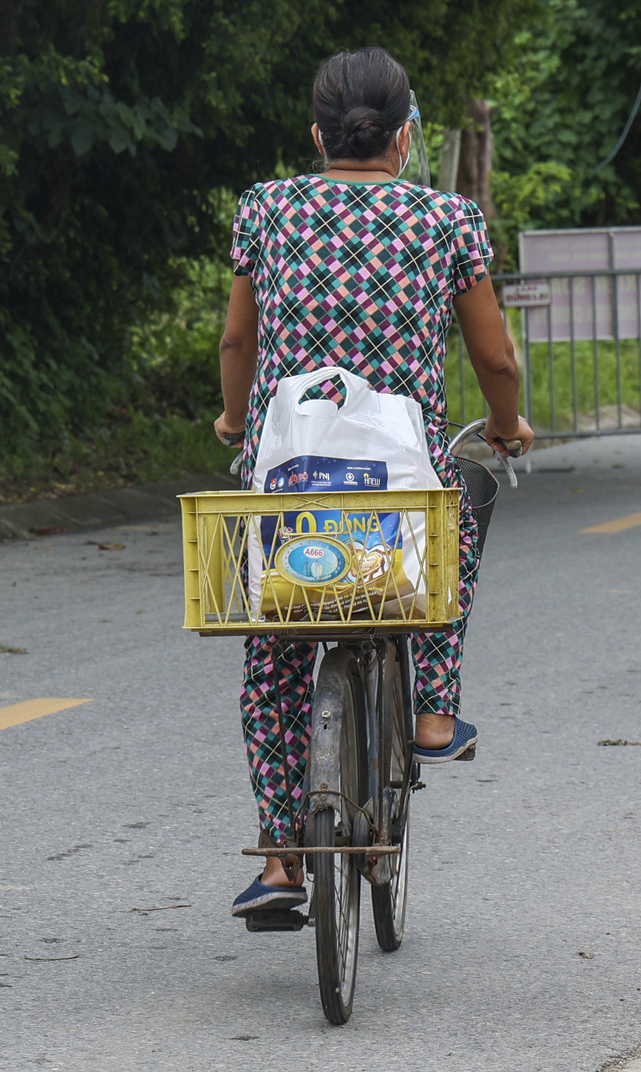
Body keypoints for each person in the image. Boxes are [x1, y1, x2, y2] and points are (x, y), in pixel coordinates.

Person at [213, 46, 536, 915]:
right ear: (403, 139)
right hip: (402, 485)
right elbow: (494, 356)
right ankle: (433, 711)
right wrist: (505, 425)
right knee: (454, 523)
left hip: (286, 485)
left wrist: (237, 423)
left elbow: (237, 344)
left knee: (274, 654)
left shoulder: (269, 209)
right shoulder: (447, 221)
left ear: (318, 132)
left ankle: (281, 858)